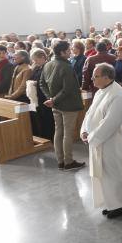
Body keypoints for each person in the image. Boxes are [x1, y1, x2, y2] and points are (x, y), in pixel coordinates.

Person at [81, 63, 122, 218]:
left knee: (114, 173)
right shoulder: (100, 91)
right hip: (97, 141)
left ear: (107, 77)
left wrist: (92, 137)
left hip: (112, 142)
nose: (91, 78)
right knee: (103, 174)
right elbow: (89, 113)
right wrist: (84, 131)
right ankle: (110, 202)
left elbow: (111, 122)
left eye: (95, 76)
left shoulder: (118, 94)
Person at [40, 41, 84, 170]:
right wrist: (53, 99)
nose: (70, 52)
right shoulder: (65, 66)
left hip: (56, 105)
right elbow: (68, 88)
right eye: (68, 50)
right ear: (62, 52)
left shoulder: (48, 64)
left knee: (58, 132)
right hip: (68, 104)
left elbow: (42, 83)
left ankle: (60, 161)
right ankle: (68, 161)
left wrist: (51, 99)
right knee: (67, 134)